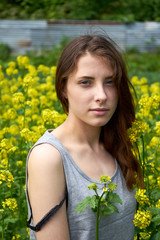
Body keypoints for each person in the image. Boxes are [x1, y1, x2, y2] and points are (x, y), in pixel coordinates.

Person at [26, 34, 143, 240]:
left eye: (110, 82)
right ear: (63, 88)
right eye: (86, 82)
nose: (102, 95)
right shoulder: (49, 158)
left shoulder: (115, 144)